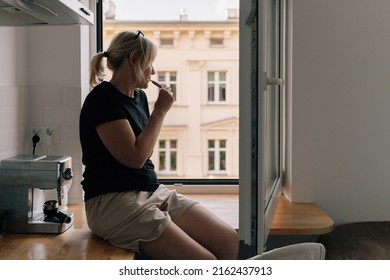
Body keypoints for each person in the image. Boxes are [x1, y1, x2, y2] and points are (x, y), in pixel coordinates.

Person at [79, 30, 239, 260]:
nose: (153, 71)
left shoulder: (139, 97)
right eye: (149, 63)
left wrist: (157, 112)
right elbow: (135, 158)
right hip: (112, 202)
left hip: (150, 191)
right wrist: (161, 111)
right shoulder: (102, 99)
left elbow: (145, 149)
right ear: (133, 59)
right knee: (205, 263)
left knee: (228, 240)